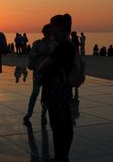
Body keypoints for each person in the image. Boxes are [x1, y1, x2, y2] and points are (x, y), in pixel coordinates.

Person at [37, 14, 75, 162]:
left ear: (59, 27)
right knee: (62, 122)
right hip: (60, 88)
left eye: (52, 25)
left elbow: (44, 65)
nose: (50, 28)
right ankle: (61, 156)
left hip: (57, 89)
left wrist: (41, 68)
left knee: (59, 123)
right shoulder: (66, 44)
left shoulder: (63, 45)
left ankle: (61, 157)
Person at [23, 24, 56, 126]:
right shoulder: (37, 43)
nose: (47, 34)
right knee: (35, 93)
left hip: (49, 72)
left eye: (49, 32)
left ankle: (43, 114)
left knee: (46, 94)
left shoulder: (55, 44)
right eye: (46, 32)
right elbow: (32, 55)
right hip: (38, 71)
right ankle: (29, 113)